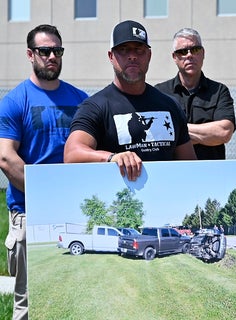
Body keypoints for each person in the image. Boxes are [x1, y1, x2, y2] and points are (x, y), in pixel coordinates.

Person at [0, 24, 89, 320]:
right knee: (28, 303)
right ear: (30, 54)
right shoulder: (15, 101)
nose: (52, 56)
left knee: (76, 295)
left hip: (75, 212)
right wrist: (46, 197)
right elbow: (5, 157)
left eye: (57, 51)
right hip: (29, 211)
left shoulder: (81, 100)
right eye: (45, 51)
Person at [64, 20, 196, 178]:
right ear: (111, 56)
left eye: (139, 50)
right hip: (120, 201)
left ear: (149, 55)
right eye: (124, 50)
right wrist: (112, 157)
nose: (132, 56)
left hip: (165, 200)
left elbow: (190, 166)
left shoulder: (170, 106)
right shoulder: (95, 107)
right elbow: (72, 154)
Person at [155, 28, 236, 160]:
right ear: (175, 57)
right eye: (182, 51)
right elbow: (156, 136)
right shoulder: (159, 93)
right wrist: (207, 135)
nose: (189, 55)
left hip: (210, 174)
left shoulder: (219, 91)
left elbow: (224, 132)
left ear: (203, 53)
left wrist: (177, 132)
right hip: (172, 174)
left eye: (195, 50)